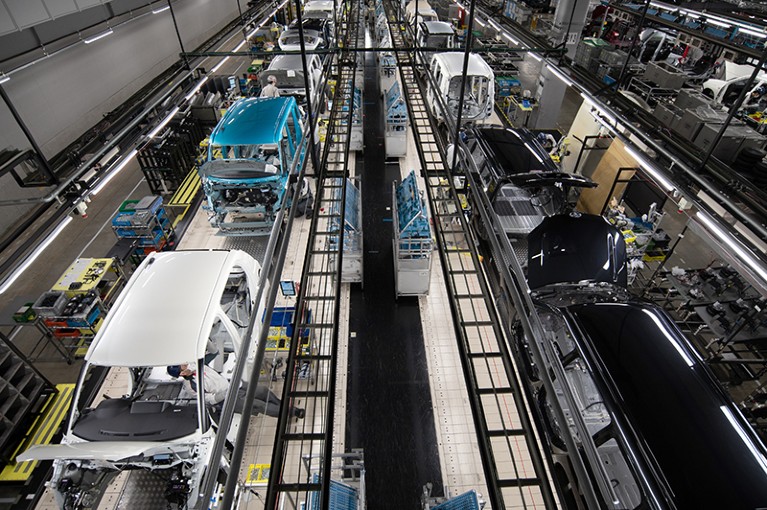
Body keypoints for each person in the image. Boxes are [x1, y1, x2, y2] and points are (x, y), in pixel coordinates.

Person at [167, 364, 304, 419]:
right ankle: (292, 412)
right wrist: (226, 393)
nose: (187, 365)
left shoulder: (199, 366)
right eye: (183, 367)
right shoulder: (191, 386)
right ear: (182, 373)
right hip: (229, 399)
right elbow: (209, 400)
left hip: (236, 385)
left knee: (262, 391)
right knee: (259, 405)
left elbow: (213, 351)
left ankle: (282, 407)